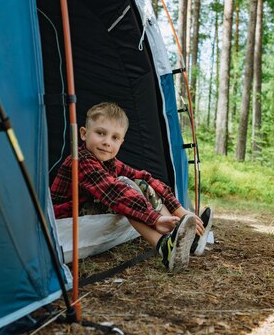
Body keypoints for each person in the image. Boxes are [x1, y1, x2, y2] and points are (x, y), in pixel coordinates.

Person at [51, 102, 212, 272]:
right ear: (84, 134)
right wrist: (154, 219)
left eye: (114, 138)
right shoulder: (81, 160)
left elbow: (144, 177)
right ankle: (163, 246)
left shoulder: (109, 162)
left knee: (140, 183)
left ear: (121, 141)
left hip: (88, 212)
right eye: (100, 133)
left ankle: (180, 238)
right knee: (124, 188)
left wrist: (179, 209)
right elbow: (114, 192)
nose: (107, 142)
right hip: (66, 218)